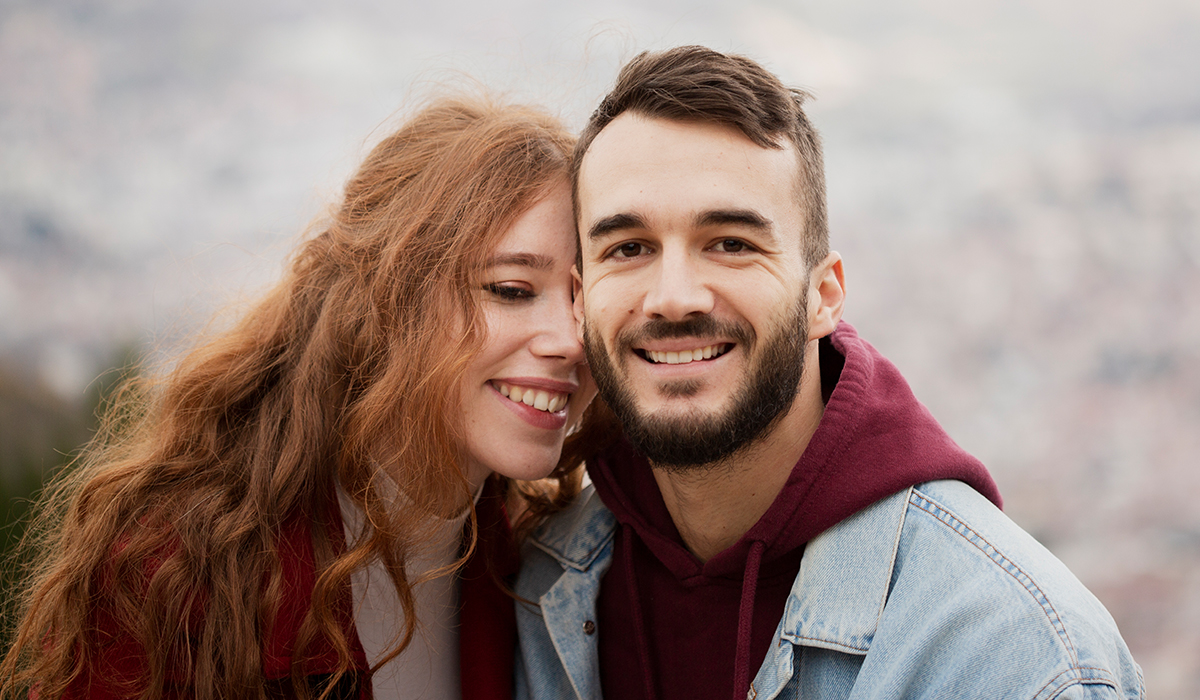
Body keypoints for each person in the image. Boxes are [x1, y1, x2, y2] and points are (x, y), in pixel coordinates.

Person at [515, 46, 1144, 700]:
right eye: (629, 248)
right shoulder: (544, 590)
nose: (675, 296)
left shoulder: (1018, 659)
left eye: (731, 244)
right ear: (581, 299)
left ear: (825, 295)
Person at [1, 96, 595, 700]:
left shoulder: (543, 562)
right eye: (513, 289)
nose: (573, 339)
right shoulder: (178, 575)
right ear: (388, 300)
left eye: (587, 299)